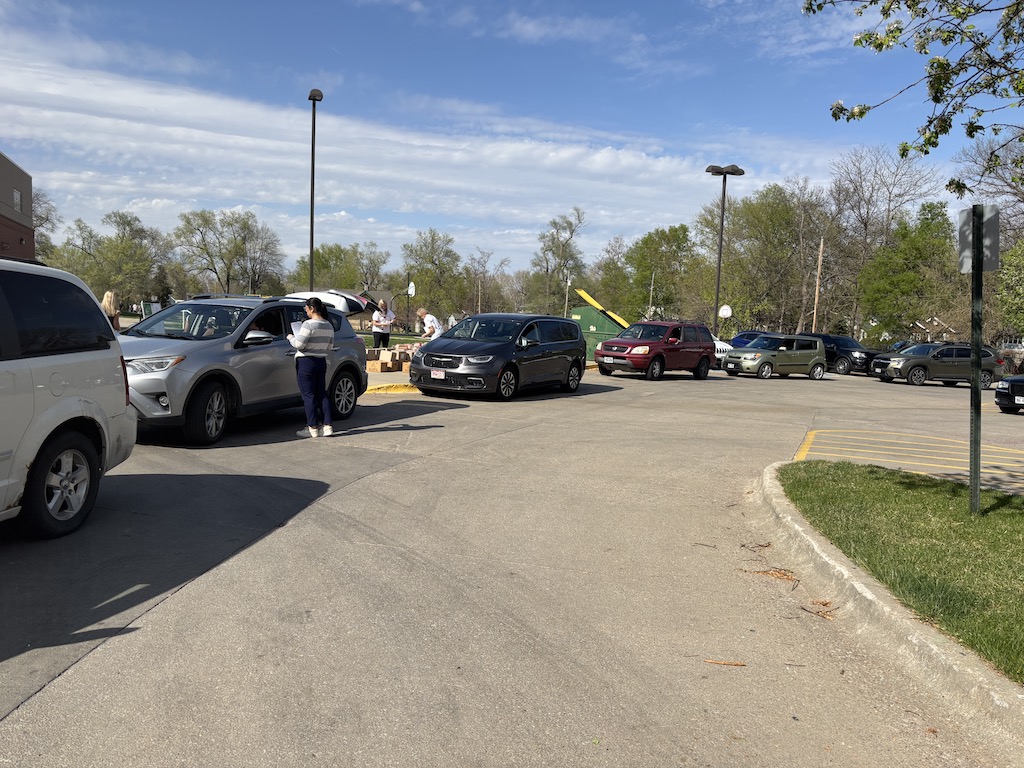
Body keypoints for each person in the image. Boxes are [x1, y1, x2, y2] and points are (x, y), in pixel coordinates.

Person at [287, 297, 335, 438]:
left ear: (312, 308)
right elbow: (330, 347)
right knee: (322, 393)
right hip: (321, 361)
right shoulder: (329, 325)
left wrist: (290, 337)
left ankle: (312, 427)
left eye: (306, 309)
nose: (306, 311)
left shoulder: (308, 325)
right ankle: (328, 425)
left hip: (306, 362)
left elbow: (299, 344)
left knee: (308, 395)